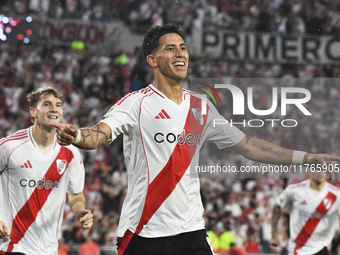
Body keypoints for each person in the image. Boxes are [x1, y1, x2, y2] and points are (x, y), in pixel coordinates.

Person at [51, 23, 340, 255]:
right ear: (152, 60)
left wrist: (307, 157)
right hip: (143, 230)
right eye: (170, 48)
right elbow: (97, 135)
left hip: (190, 230)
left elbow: (249, 146)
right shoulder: (135, 104)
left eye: (183, 48)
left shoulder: (201, 107)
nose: (180, 53)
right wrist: (76, 135)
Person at [0, 87, 93, 255]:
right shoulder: (10, 146)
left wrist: (80, 211)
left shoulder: (71, 152)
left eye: (58, 105)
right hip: (12, 246)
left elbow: (75, 194)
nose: (54, 109)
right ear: (33, 111)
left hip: (49, 249)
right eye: (47, 104)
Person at [270, 171, 340, 255]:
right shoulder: (294, 191)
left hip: (321, 248)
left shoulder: (336, 195)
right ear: (308, 170)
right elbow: (277, 206)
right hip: (297, 249)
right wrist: (274, 234)